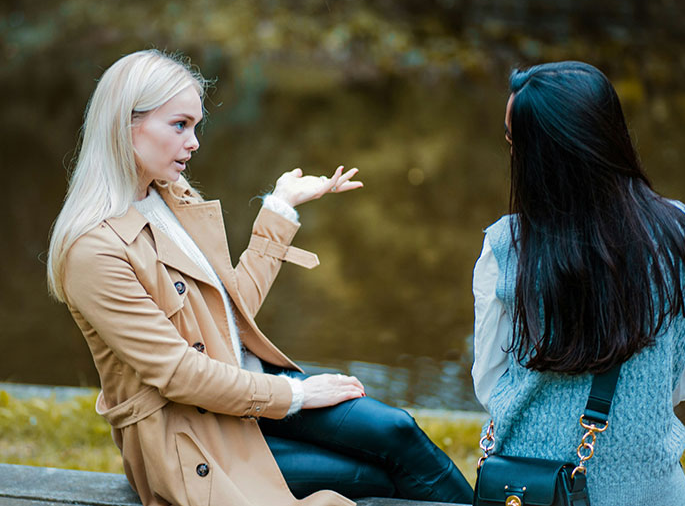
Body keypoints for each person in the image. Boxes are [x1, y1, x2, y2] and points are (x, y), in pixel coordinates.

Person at [47, 50, 474, 506]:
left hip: (245, 394)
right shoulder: (93, 249)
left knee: (397, 431)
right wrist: (296, 394)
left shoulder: (170, 199)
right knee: (373, 477)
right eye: (179, 125)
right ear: (128, 126)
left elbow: (232, 314)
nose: (193, 142)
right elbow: (178, 374)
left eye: (195, 126)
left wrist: (280, 208)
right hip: (193, 433)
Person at [471, 61, 685, 506]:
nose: (511, 151)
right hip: (651, 492)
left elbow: (489, 384)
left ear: (543, 155)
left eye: (513, 140)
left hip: (527, 490)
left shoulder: (505, 244)